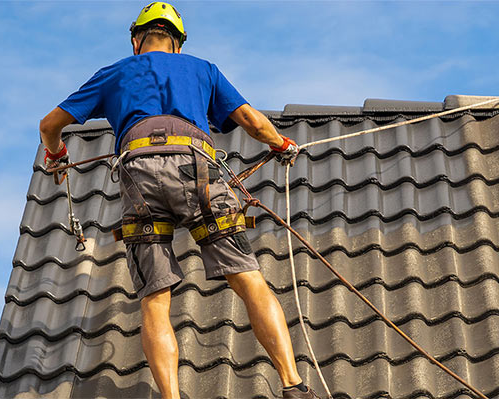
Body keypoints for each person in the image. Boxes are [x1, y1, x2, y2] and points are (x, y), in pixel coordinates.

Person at [39, 3, 320, 398]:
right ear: (178, 41)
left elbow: (49, 125)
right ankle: (293, 384)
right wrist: (283, 144)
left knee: (155, 298)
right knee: (248, 279)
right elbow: (254, 123)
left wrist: (56, 154)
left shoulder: (114, 73)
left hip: (139, 178)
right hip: (196, 171)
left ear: (137, 39)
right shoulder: (203, 69)